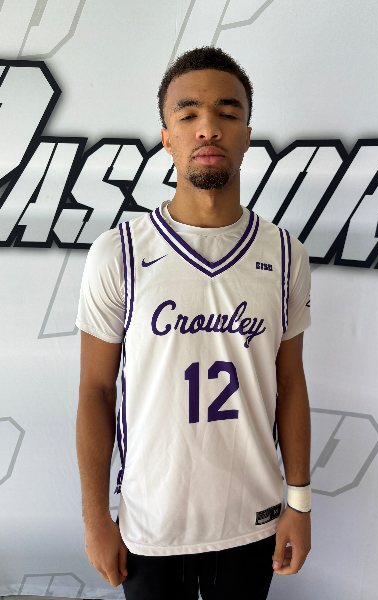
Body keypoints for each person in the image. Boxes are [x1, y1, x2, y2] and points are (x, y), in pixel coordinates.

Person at [76, 46, 312, 600]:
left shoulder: (285, 254)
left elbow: (291, 383)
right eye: (188, 115)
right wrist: (95, 519)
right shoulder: (119, 253)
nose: (208, 127)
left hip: (253, 518)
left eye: (227, 113)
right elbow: (95, 391)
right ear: (167, 137)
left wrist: (299, 503)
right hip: (150, 522)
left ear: (247, 135)